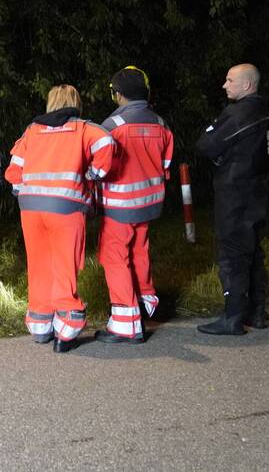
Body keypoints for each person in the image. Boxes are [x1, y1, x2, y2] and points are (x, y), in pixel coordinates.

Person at [5, 85, 114, 353]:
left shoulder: (32, 130)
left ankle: (40, 325)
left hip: (31, 208)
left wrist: (23, 189)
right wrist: (92, 174)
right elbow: (107, 143)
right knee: (65, 265)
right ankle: (67, 327)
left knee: (39, 264)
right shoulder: (84, 129)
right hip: (66, 207)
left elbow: (14, 169)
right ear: (75, 102)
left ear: (50, 103)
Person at [94, 67, 174, 345]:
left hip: (120, 205)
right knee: (140, 250)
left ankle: (126, 323)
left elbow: (100, 168)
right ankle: (144, 301)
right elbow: (166, 165)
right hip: (150, 203)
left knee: (114, 257)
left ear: (117, 94)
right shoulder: (161, 124)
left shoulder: (112, 126)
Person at [195, 63, 269, 335]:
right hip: (257, 191)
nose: (224, 85)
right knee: (254, 251)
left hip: (235, 192)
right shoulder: (265, 111)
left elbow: (206, 145)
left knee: (232, 253)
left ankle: (233, 317)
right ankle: (257, 312)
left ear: (247, 85)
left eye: (230, 80)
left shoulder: (238, 113)